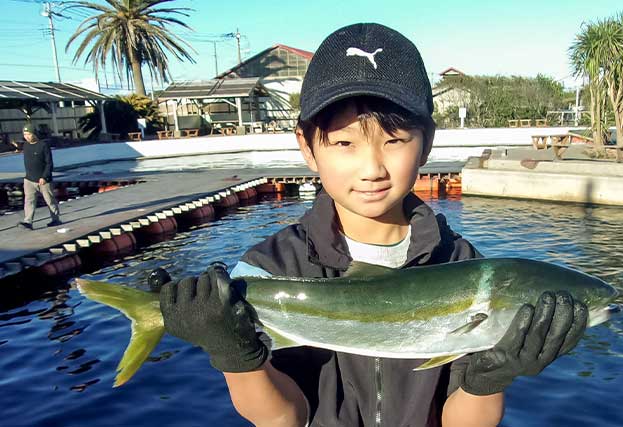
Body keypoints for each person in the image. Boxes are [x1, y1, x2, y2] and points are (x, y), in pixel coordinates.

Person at [158, 23, 588, 427]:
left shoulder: (460, 263)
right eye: (344, 143)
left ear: (427, 145)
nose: (371, 169)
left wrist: (491, 377)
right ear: (307, 147)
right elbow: (279, 419)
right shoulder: (267, 269)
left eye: (395, 141)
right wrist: (235, 355)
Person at [18, 123, 61, 230]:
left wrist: (45, 177)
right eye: (25, 134)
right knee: (29, 201)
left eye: (28, 134)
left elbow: (49, 163)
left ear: (34, 134)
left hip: (43, 180)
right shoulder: (26, 145)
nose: (26, 136)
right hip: (29, 179)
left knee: (49, 200)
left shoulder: (43, 145)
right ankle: (28, 221)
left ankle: (55, 219)